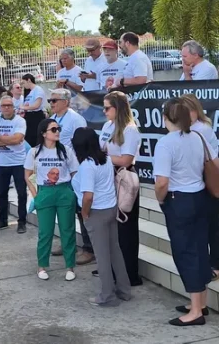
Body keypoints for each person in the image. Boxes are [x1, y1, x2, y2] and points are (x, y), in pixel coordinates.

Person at [154, 98, 211, 326]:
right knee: (199, 248)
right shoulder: (197, 136)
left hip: (179, 200)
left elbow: (161, 183)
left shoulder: (166, 143)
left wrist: (161, 200)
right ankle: (200, 303)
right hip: (199, 197)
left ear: (167, 118)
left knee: (185, 252)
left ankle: (195, 311)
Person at [72, 128, 132, 306]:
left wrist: (84, 213)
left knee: (102, 256)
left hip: (96, 212)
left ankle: (107, 296)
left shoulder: (86, 166)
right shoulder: (105, 159)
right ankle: (124, 290)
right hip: (111, 209)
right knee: (115, 251)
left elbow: (88, 196)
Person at [24, 119, 79, 281]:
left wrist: (72, 192)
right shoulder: (34, 152)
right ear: (43, 133)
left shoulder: (66, 150)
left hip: (64, 191)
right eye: (53, 129)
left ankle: (70, 266)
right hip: (44, 192)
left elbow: (75, 172)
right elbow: (27, 175)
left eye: (58, 129)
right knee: (45, 232)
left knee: (67, 231)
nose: (57, 132)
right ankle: (42, 266)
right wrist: (35, 194)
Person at [98, 92, 143, 285]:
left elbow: (126, 159)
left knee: (126, 227)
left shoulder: (130, 129)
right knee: (111, 226)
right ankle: (114, 268)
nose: (104, 111)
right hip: (109, 177)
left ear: (118, 108)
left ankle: (129, 273)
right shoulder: (107, 125)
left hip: (124, 177)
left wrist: (103, 158)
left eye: (107, 107)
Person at [181, 93, 219, 281]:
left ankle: (217, 263)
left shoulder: (201, 129)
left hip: (209, 182)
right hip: (198, 182)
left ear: (194, 111)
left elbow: (213, 161)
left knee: (213, 223)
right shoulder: (189, 128)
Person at [48, 88, 92, 264]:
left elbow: (83, 144)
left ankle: (89, 248)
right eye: (50, 100)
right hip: (59, 172)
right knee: (65, 209)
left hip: (75, 171)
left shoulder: (76, 119)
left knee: (81, 210)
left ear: (65, 102)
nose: (51, 103)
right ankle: (69, 242)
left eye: (54, 100)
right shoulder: (54, 119)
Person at [0, 96, 28, 233]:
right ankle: (2, 220)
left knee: (21, 193)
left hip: (18, 162)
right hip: (2, 163)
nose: (6, 108)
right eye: (4, 105)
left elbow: (17, 139)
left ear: (13, 106)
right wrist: (7, 141)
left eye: (9, 105)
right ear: (0, 107)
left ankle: (22, 221)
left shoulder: (20, 121)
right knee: (2, 193)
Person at [20, 74, 46, 148]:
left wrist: (23, 107)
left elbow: (36, 105)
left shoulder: (38, 90)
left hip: (36, 116)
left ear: (29, 80)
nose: (23, 85)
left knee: (35, 138)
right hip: (28, 116)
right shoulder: (29, 92)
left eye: (24, 83)